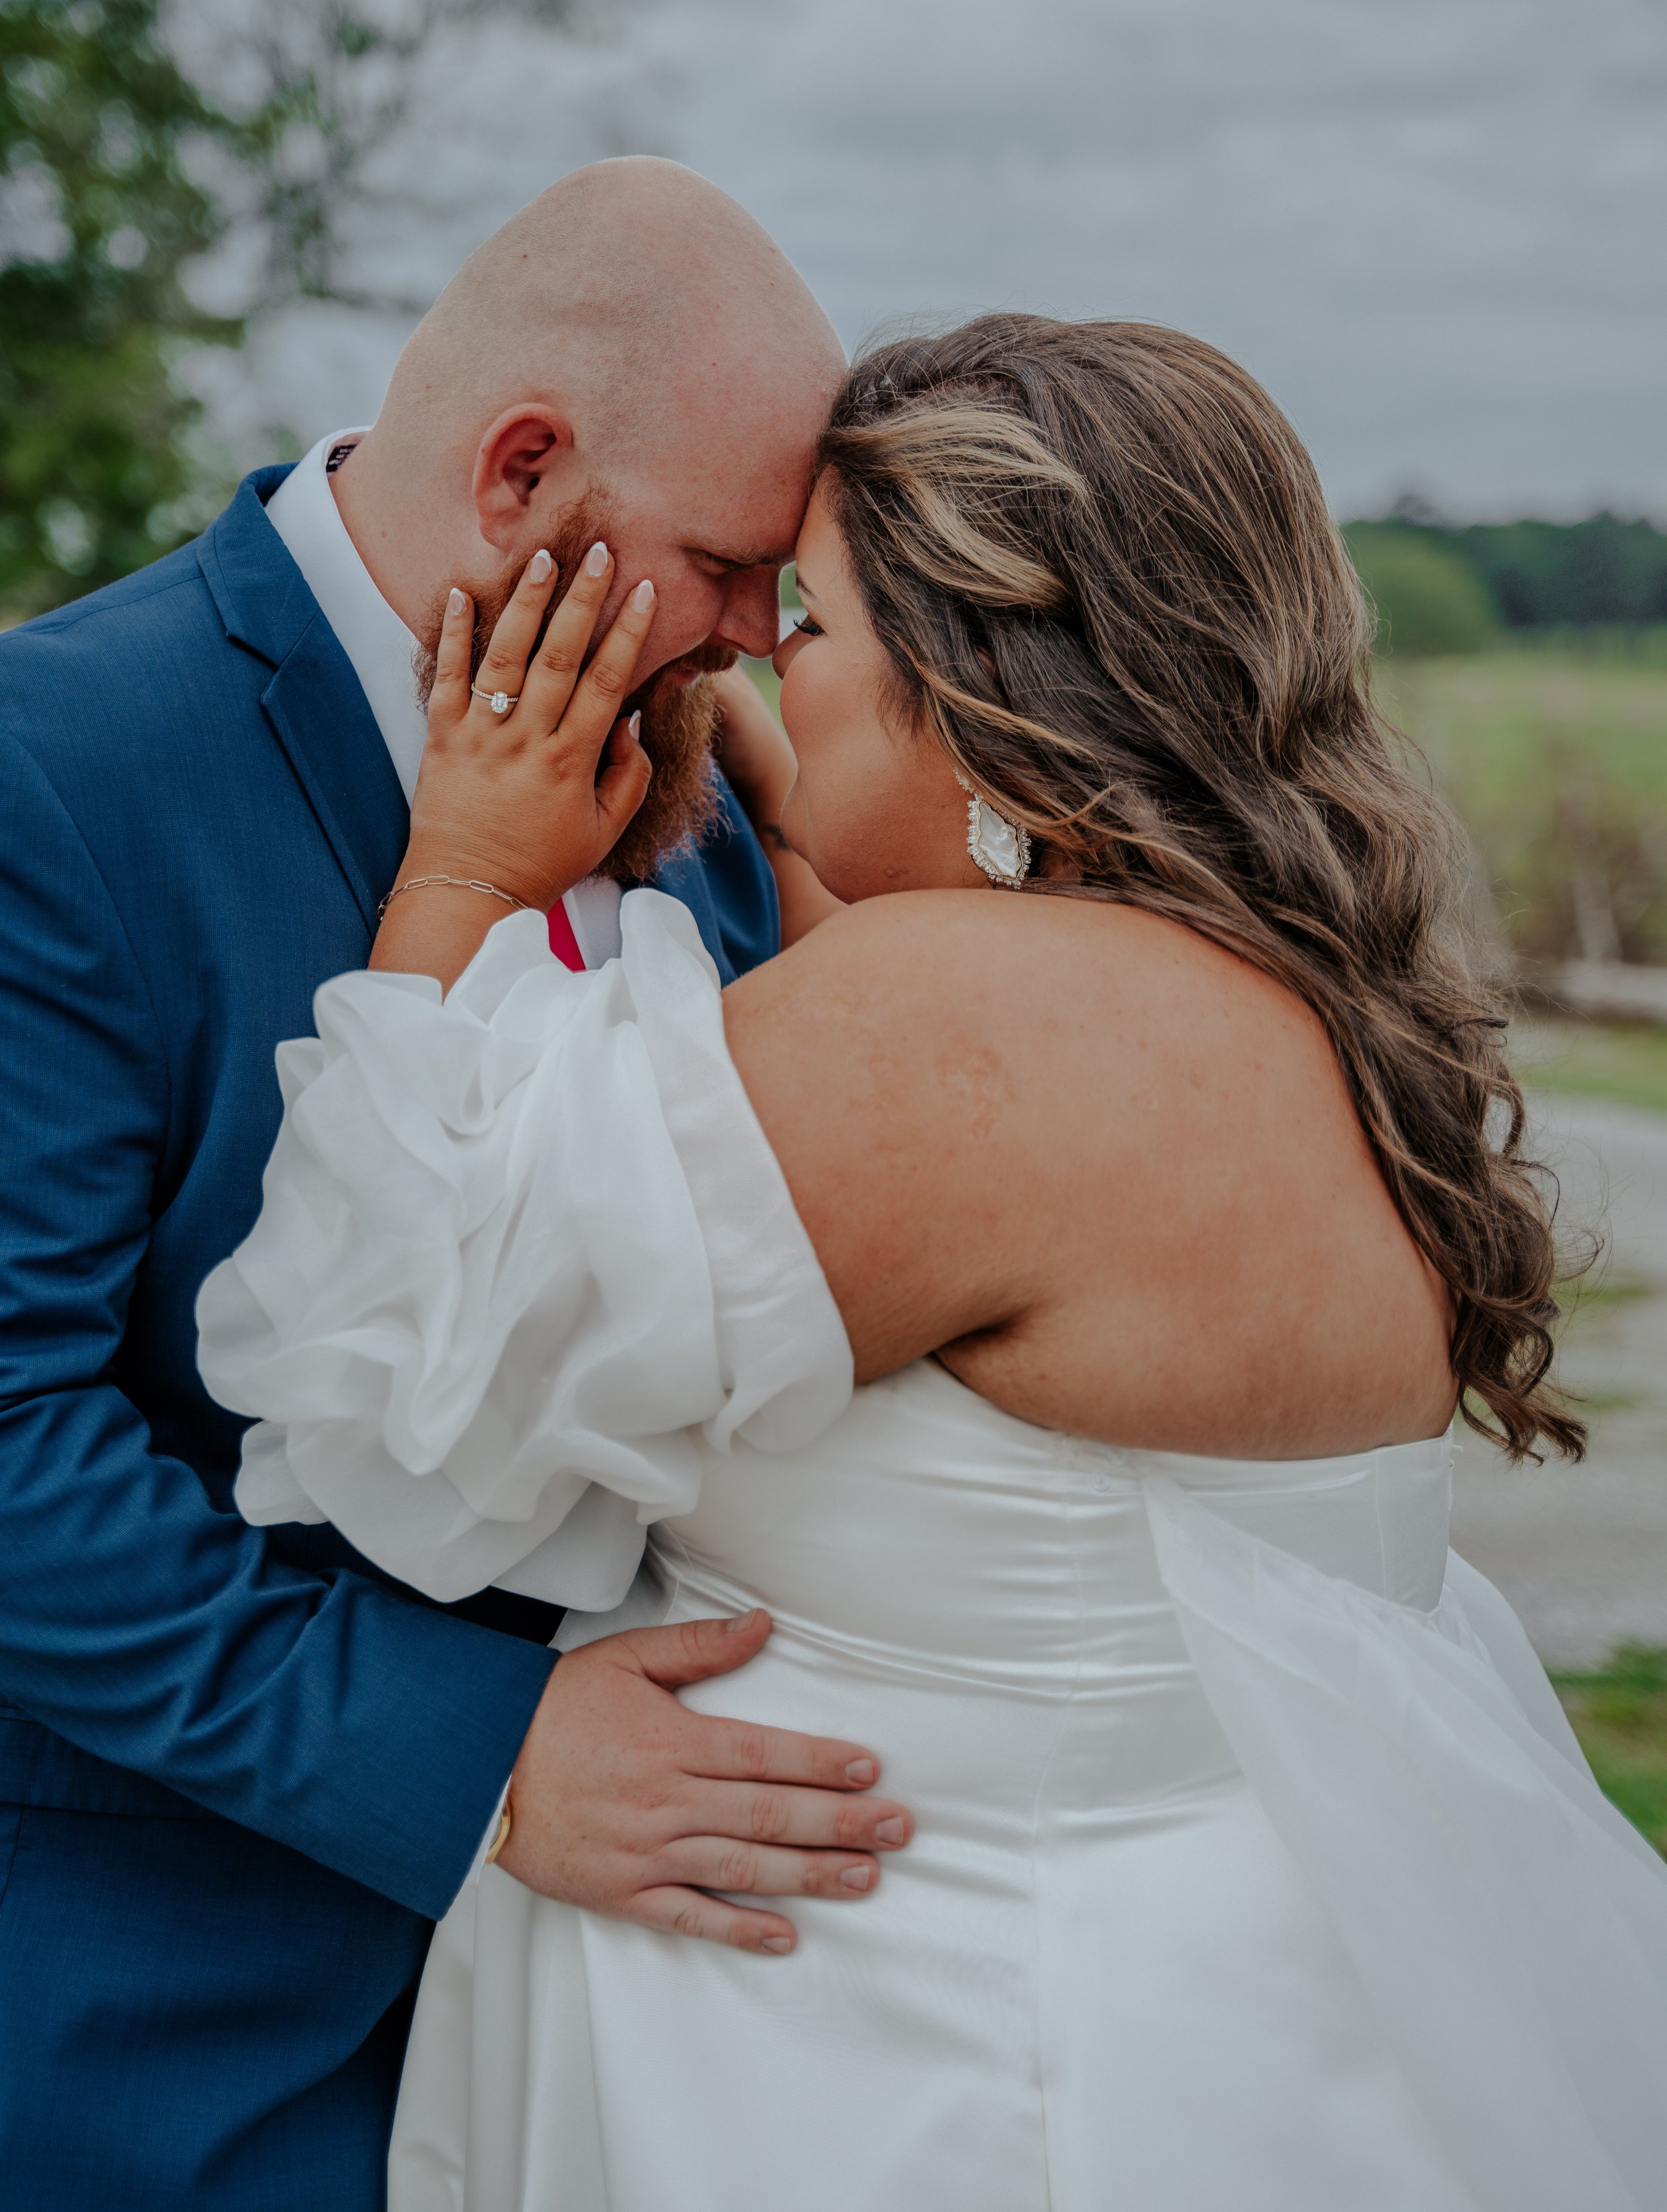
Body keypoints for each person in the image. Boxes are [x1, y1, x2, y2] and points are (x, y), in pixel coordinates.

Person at [203, 313, 1667, 2212]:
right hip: (1228, 2019)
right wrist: (799, 772)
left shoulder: (956, 1032)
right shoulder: (1297, 1003)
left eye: (803, 626)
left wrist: (467, 871)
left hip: (911, 2066)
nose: (751, 664)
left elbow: (380, 1388)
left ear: (981, 684)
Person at [0, 161, 920, 2212]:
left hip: (643, 2032)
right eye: (725, 564)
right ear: (520, 477)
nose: (764, 640)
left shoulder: (689, 777)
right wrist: (477, 1758)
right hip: (165, 2030)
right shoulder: (49, 768)